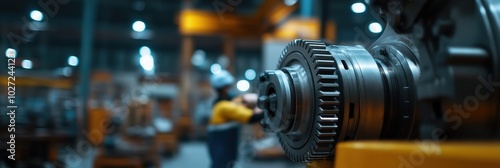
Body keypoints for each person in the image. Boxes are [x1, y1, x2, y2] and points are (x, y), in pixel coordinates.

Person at [207, 70, 263, 168]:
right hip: (223, 145)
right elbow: (253, 117)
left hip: (224, 143)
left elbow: (238, 103)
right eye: (229, 86)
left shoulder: (220, 104)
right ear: (224, 88)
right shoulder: (223, 107)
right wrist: (264, 105)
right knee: (222, 164)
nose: (231, 88)